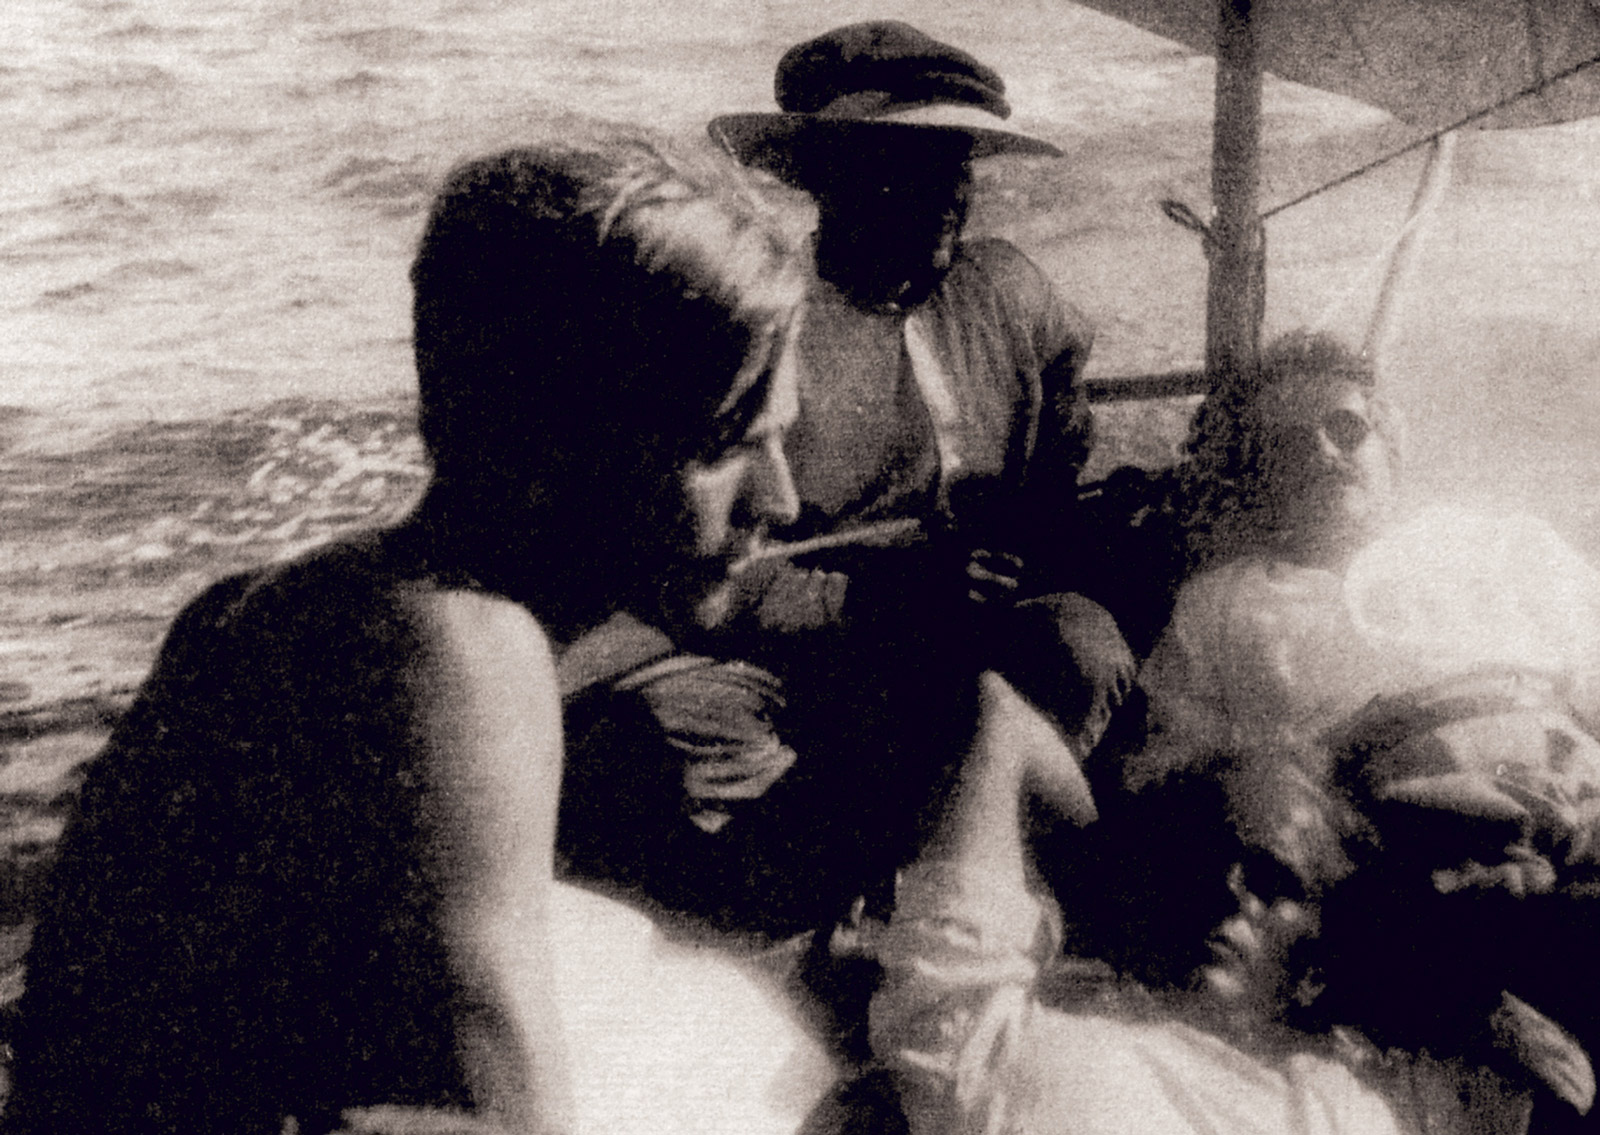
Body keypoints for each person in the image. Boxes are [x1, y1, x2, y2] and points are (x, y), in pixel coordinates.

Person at [1, 132, 839, 1135]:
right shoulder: (468, 657)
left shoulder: (269, 605)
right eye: (729, 450)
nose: (782, 502)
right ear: (560, 445)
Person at [558, 20, 1133, 942]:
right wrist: (880, 603)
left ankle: (999, 893)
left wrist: (1061, 536)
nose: (948, 194)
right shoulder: (763, 331)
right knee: (669, 737)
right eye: (906, 167)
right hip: (816, 662)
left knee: (1082, 641)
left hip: (980, 641)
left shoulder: (1016, 295)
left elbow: (1059, 458)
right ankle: (829, 924)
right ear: (823, 179)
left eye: (958, 165)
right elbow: (697, 580)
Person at [1104, 331, 1600, 1131]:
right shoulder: (1225, 607)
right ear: (1258, 477)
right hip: (1411, 867)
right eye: (1287, 443)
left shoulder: (1503, 546)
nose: (1325, 454)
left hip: (1577, 800)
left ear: (1392, 441)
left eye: (1346, 427)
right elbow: (1171, 791)